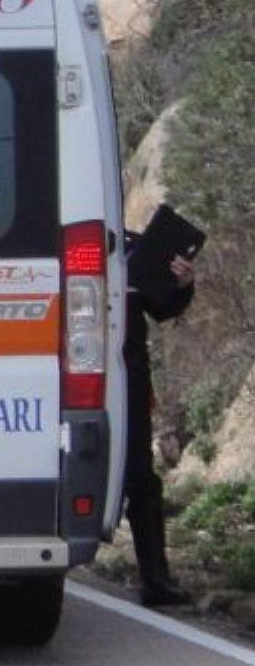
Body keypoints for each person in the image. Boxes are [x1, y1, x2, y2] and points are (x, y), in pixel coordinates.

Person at [123, 233, 196, 607]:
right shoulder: (56, 233)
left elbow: (163, 307)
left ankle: (156, 579)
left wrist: (183, 284)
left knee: (141, 480)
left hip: (128, 382)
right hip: (67, 378)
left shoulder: (136, 246)